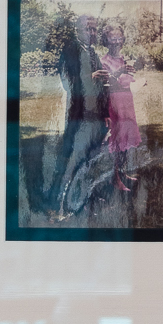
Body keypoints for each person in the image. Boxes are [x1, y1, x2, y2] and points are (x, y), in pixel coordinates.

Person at [41, 15, 107, 221]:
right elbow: (66, 81)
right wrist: (91, 77)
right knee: (70, 162)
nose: (92, 33)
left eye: (94, 29)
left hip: (96, 117)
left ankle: (79, 200)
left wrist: (105, 112)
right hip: (79, 117)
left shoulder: (93, 52)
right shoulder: (70, 49)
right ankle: (55, 206)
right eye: (88, 28)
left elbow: (101, 87)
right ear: (78, 30)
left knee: (88, 160)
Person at [96, 20, 148, 197]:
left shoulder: (123, 58)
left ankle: (122, 172)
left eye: (119, 38)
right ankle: (114, 177)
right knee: (116, 141)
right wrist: (120, 72)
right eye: (113, 38)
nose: (117, 42)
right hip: (114, 103)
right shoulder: (103, 61)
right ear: (106, 40)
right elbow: (106, 84)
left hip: (126, 102)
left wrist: (136, 79)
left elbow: (125, 81)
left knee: (125, 139)